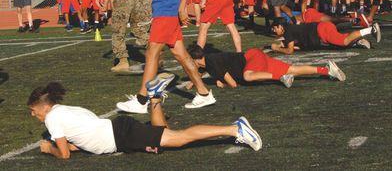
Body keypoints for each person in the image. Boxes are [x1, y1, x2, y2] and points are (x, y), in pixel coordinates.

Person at [27, 80, 262, 159]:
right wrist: (68, 147)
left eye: (33, 111)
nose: (33, 116)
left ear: (44, 107)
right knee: (164, 133)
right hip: (120, 130)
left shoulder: (52, 119)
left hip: (122, 136)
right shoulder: (67, 110)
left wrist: (50, 150)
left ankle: (235, 129)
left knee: (177, 139)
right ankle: (155, 99)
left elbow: (64, 155)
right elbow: (79, 142)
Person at [189, 45, 346, 89]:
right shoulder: (207, 62)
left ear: (196, 60)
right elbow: (197, 76)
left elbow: (233, 84)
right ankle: (326, 70)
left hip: (251, 59)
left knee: (247, 76)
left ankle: (281, 78)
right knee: (292, 69)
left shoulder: (211, 62)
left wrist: (221, 82)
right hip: (255, 57)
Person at [270, 17, 381, 54]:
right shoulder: (290, 28)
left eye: (275, 28)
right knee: (340, 45)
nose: (275, 31)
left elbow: (290, 51)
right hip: (321, 28)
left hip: (321, 31)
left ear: (280, 26)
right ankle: (359, 41)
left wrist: (277, 48)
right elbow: (297, 44)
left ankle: (371, 30)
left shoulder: (287, 31)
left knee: (344, 41)